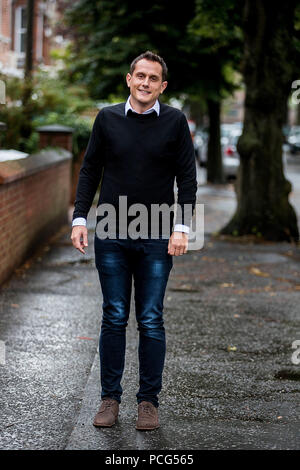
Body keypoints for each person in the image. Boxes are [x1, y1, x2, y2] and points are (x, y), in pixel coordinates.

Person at [71, 51, 197, 431]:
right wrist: (80, 217)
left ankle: (148, 402)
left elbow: (187, 178)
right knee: (113, 315)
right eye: (139, 76)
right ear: (129, 79)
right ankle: (110, 399)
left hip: (157, 233)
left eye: (153, 78)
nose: (145, 83)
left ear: (163, 86)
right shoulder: (107, 118)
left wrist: (183, 227)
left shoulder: (175, 121)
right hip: (110, 230)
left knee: (150, 318)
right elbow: (90, 168)